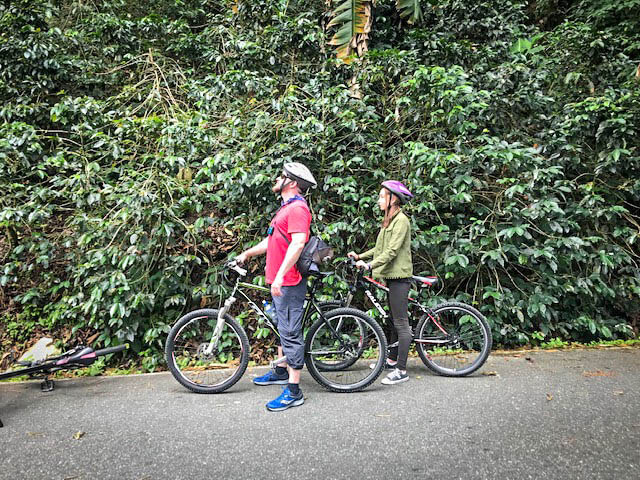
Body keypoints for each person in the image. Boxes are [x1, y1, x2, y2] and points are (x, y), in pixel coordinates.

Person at [235, 162, 316, 411]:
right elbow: (272, 241)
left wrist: (281, 275)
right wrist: (247, 254)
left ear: (291, 183)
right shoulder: (285, 209)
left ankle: (294, 391)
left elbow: (299, 243)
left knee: (290, 332)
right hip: (279, 280)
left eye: (281, 176)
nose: (277, 179)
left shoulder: (298, 209)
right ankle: (282, 371)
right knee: (282, 327)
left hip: (289, 282)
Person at [348, 180, 414, 385]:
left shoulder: (401, 220)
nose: (378, 200)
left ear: (393, 199)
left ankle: (402, 370)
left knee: (401, 323)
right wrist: (360, 256)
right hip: (391, 277)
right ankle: (393, 359)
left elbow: (392, 251)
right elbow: (380, 248)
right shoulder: (389, 220)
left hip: (400, 277)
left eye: (381, 197)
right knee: (392, 320)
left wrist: (370, 265)